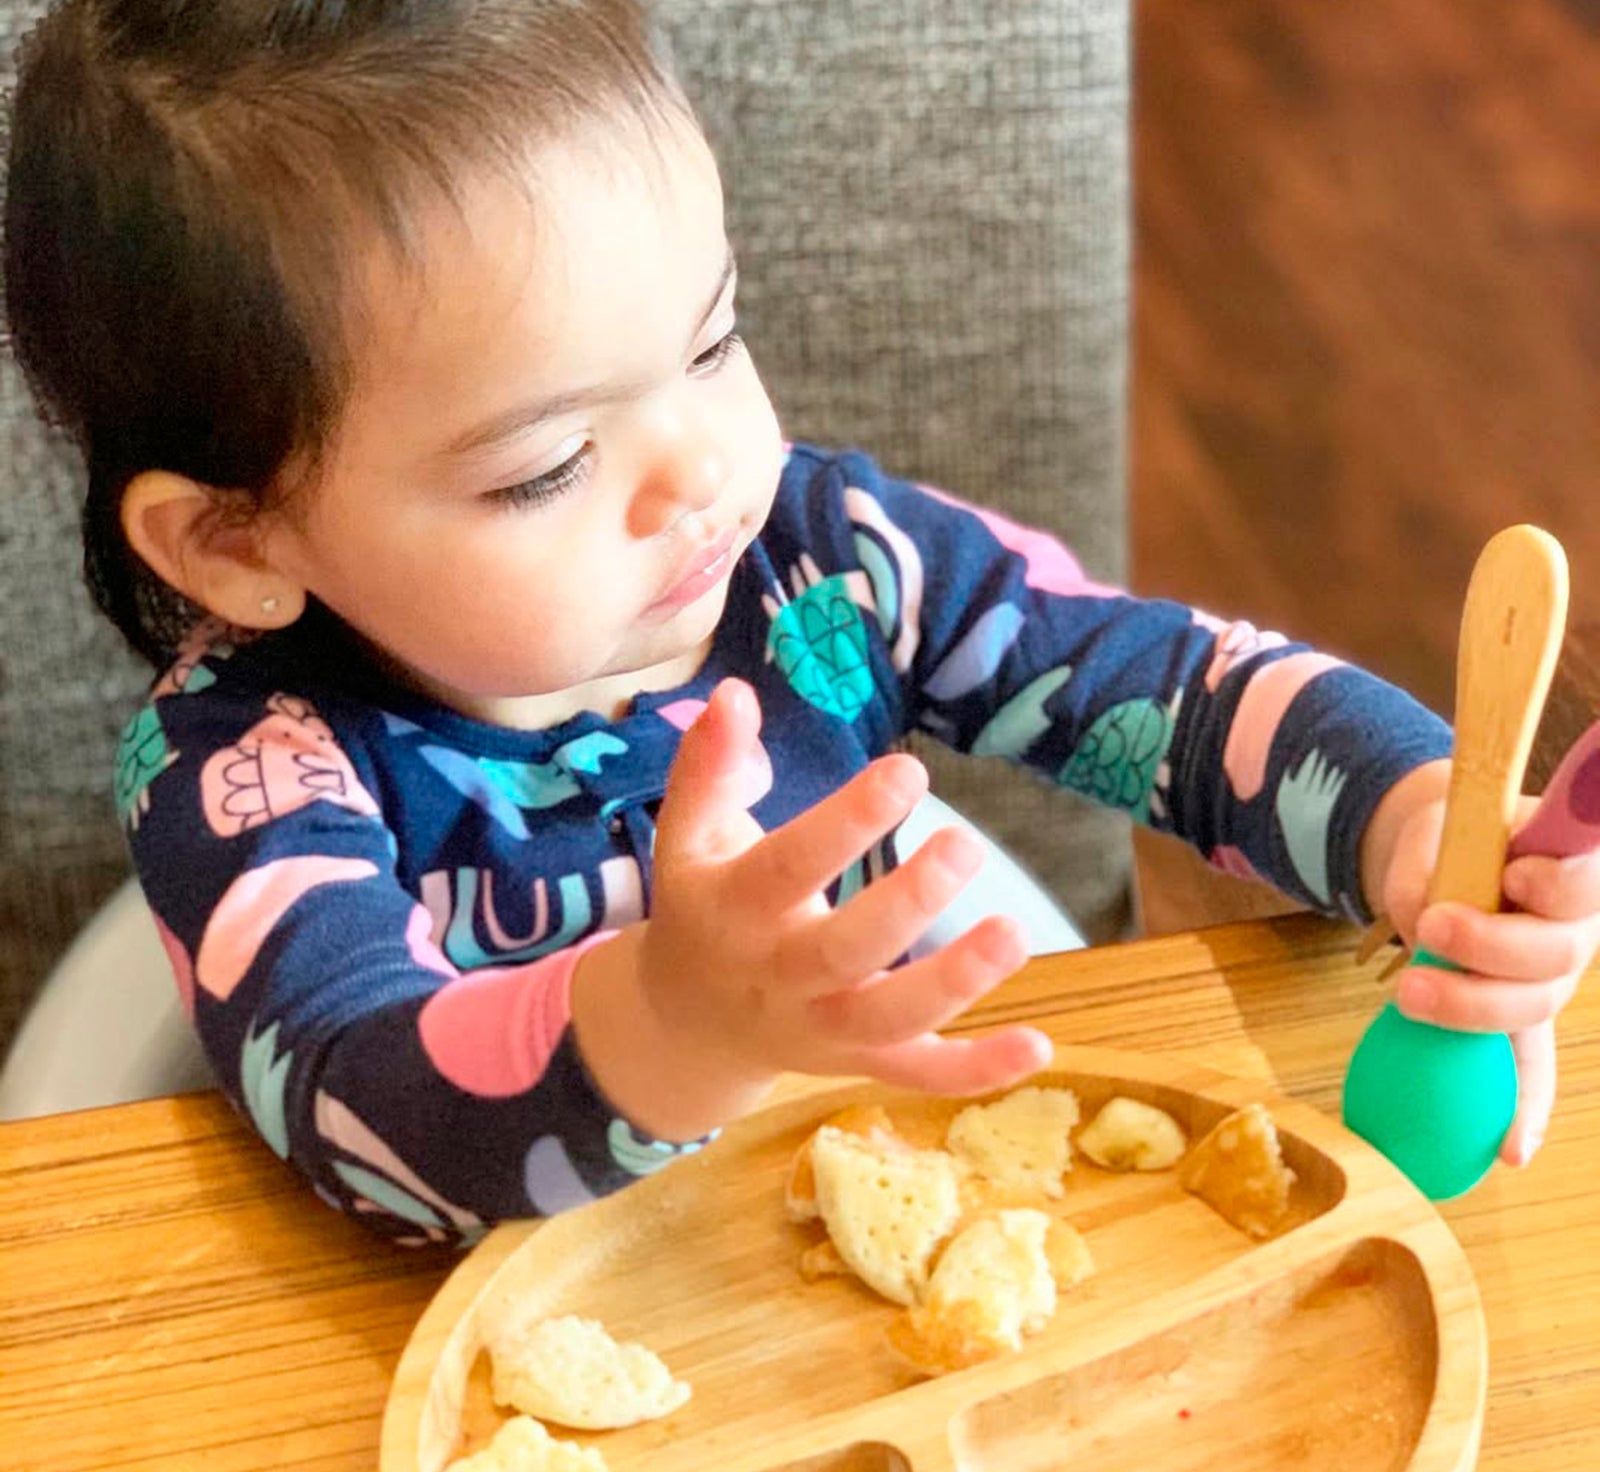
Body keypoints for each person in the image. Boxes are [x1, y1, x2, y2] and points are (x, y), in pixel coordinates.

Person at [5, 0, 1595, 1245]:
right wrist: (673, 1022)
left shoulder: (826, 560)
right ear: (233, 539)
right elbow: (365, 1095)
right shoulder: (249, 774)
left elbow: (1173, 693)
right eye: (550, 464)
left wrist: (1414, 828)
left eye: (713, 344)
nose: (704, 472)